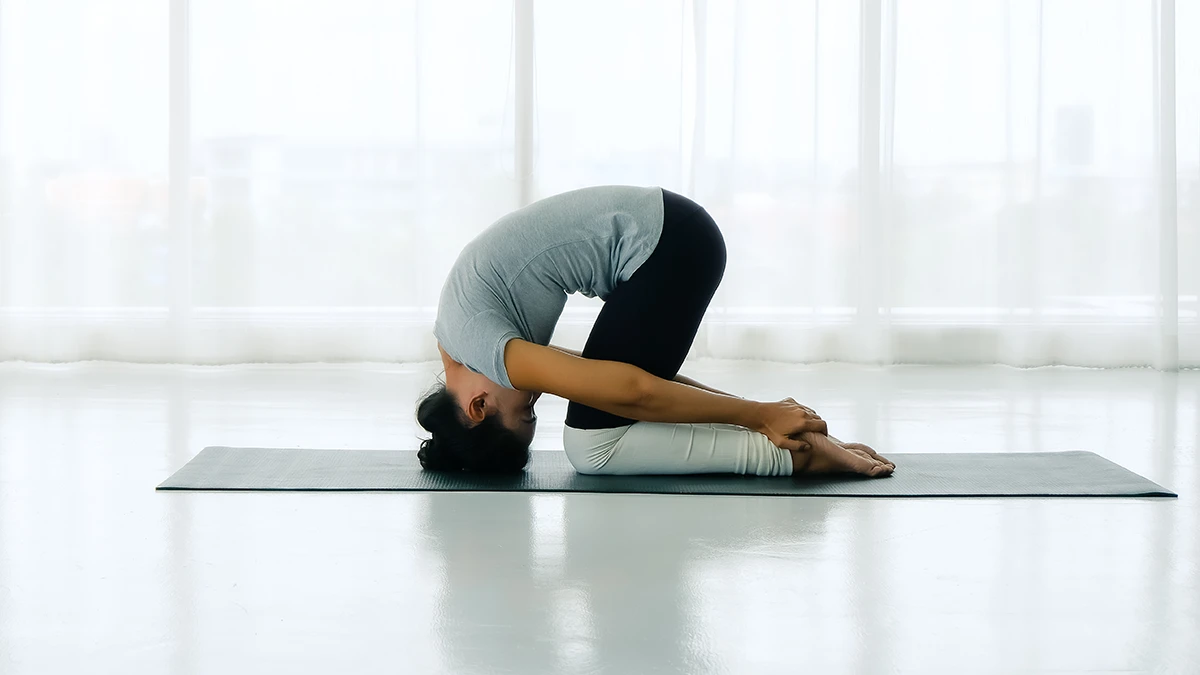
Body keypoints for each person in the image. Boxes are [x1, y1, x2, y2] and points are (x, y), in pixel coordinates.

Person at [417, 185, 895, 477]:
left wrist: (761, 415)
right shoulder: (461, 337)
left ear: (479, 406)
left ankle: (797, 458)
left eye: (525, 415)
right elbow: (622, 382)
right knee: (599, 411)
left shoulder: (489, 349)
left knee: (591, 447)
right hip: (672, 234)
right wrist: (758, 417)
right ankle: (797, 444)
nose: (536, 399)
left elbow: (633, 390)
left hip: (670, 246)